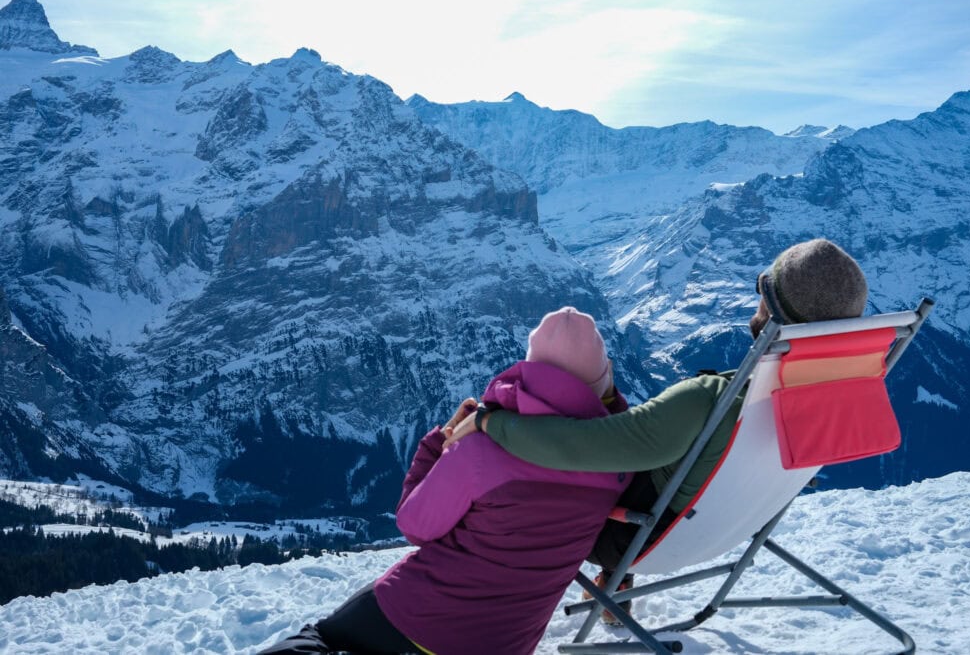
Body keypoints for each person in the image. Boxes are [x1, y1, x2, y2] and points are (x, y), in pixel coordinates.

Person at [444, 239, 869, 622]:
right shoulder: (832, 397)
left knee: (517, 482)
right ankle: (614, 582)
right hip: (736, 526)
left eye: (762, 288)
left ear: (772, 308)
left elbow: (580, 446)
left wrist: (490, 421)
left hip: (643, 539)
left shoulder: (708, 401)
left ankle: (461, 605)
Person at [257, 307, 632, 655]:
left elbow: (415, 525)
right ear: (603, 384)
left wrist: (442, 440)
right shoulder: (617, 466)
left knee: (317, 640)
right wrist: (607, 404)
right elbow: (614, 424)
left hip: (415, 617)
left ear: (528, 372)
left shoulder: (482, 451)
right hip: (504, 645)